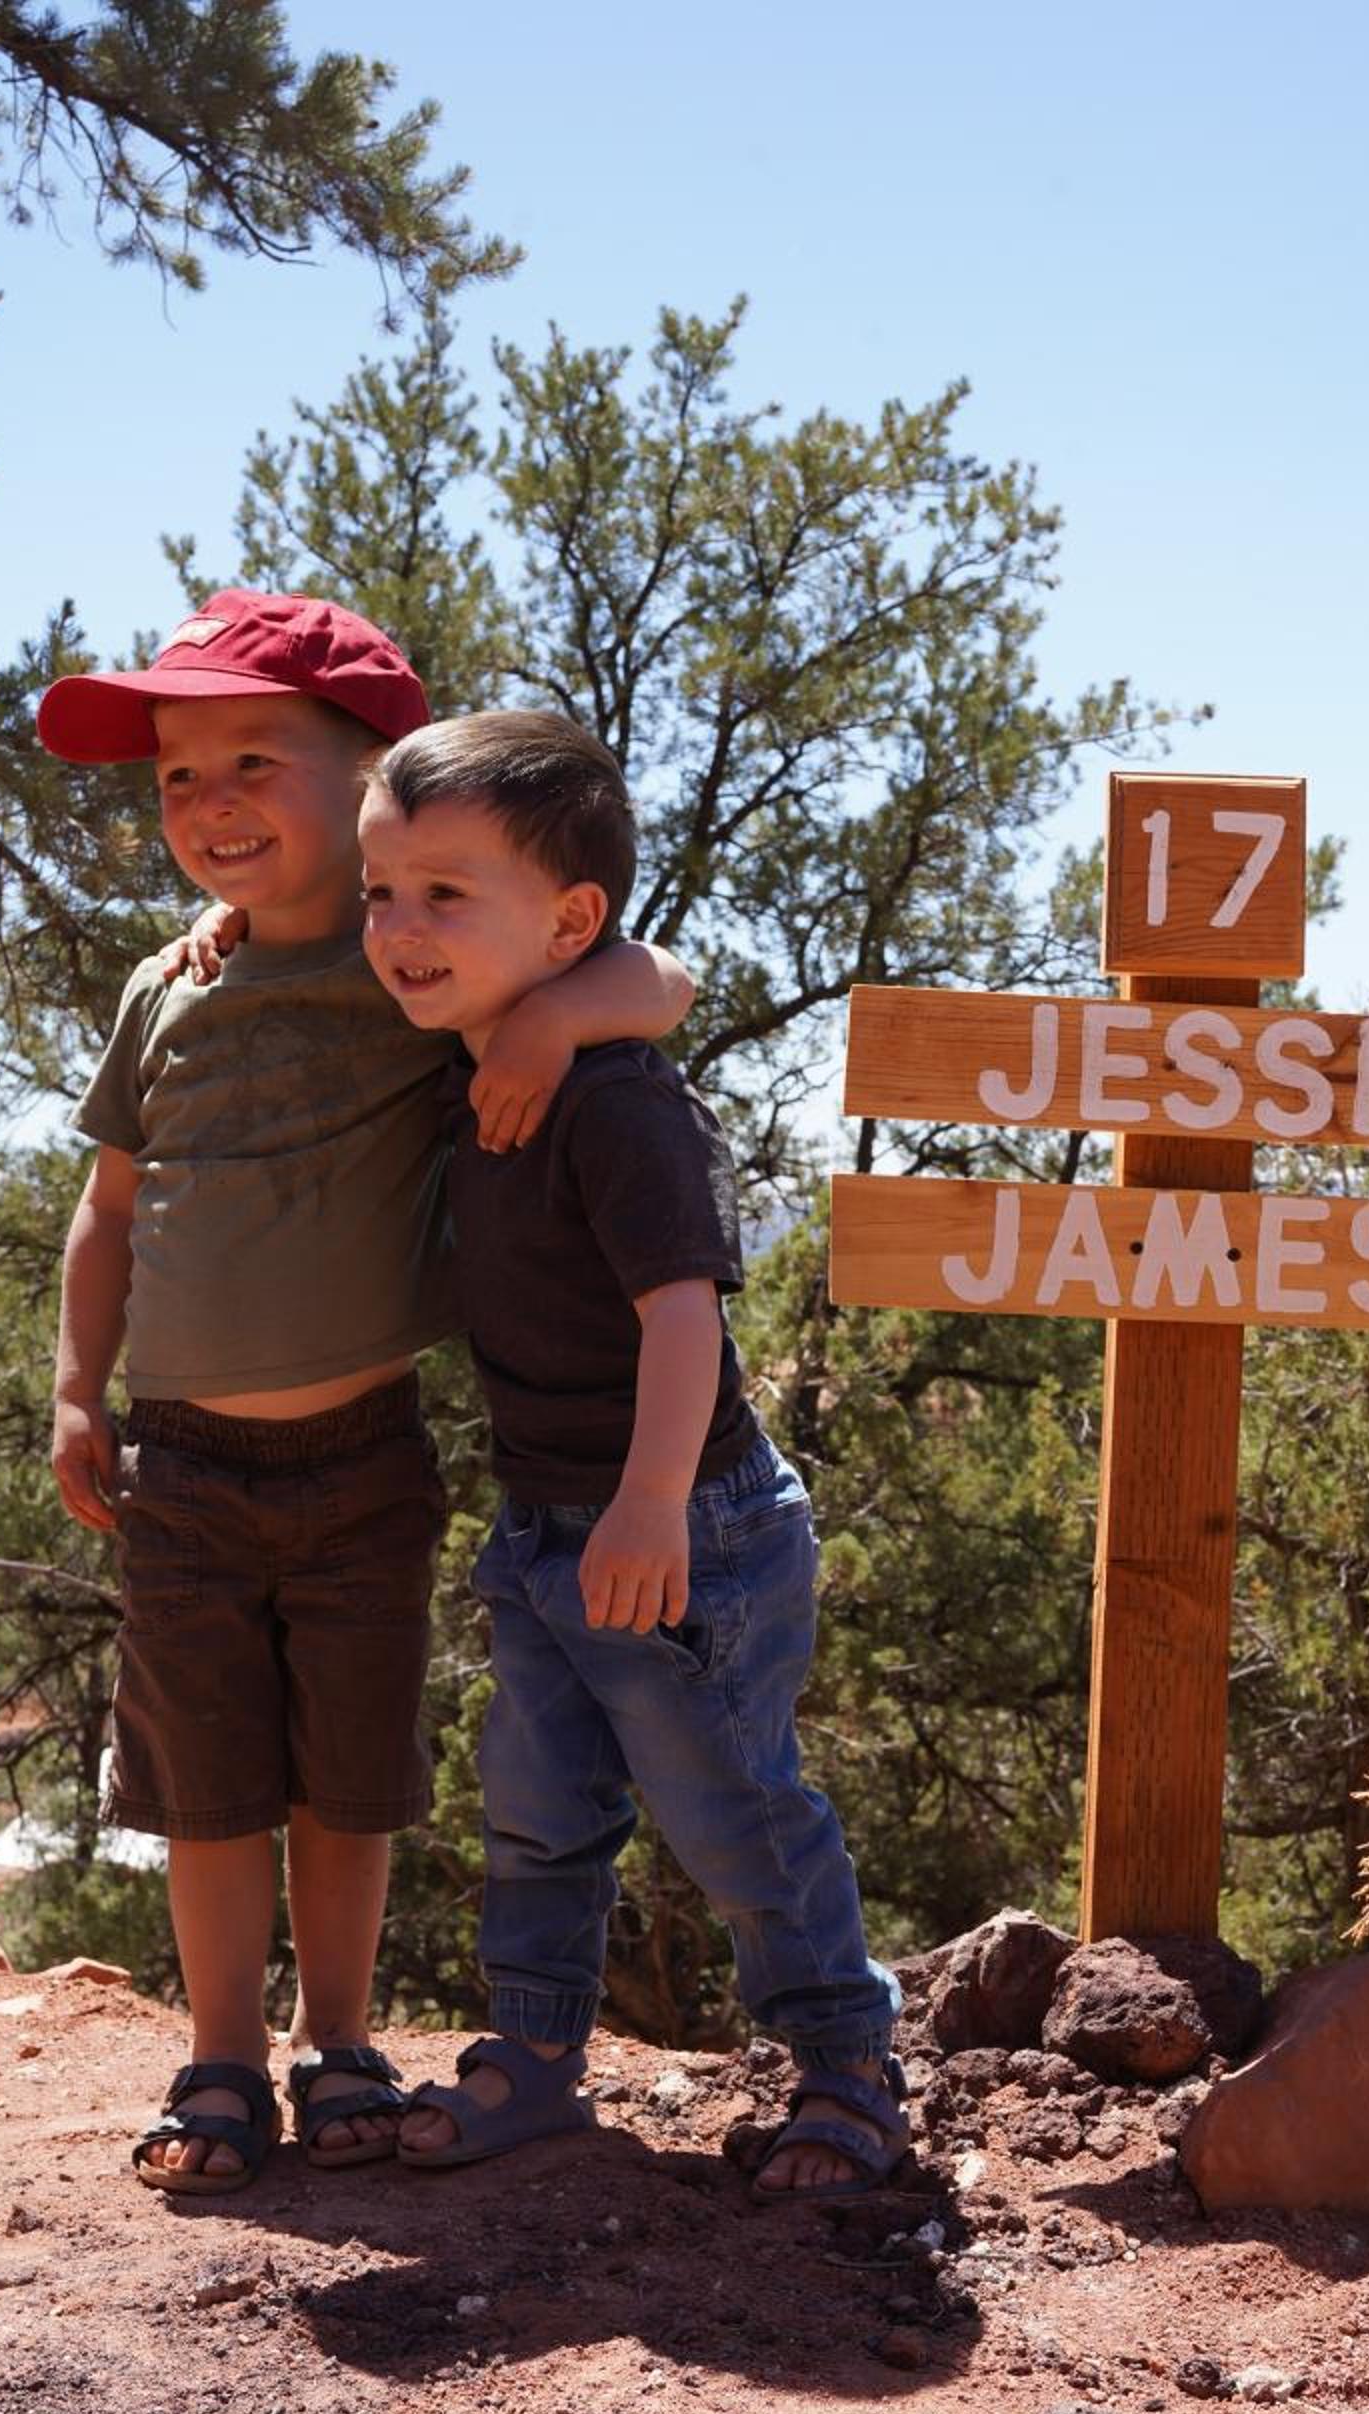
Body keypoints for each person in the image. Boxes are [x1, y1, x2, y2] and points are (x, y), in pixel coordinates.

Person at [39, 592, 691, 2195]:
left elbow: (659, 979)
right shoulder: (166, 989)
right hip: (179, 1464)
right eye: (178, 777)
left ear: (374, 780)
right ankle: (218, 2057)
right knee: (207, 1783)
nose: (209, 802)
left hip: (362, 1460)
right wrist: (74, 1388)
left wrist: (554, 1011)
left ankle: (336, 2040)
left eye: (254, 761)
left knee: (348, 1777)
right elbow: (109, 1208)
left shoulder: (423, 972)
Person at [355, 708, 908, 2199]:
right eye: (380, 893)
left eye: (443, 894)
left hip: (687, 1526)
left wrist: (654, 1501)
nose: (399, 928)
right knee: (537, 1810)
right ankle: (537, 2056)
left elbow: (683, 1316)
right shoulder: (478, 1057)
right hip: (547, 1524)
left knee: (736, 1816)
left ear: (569, 921)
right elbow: (652, 971)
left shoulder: (614, 1103)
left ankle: (849, 2067)